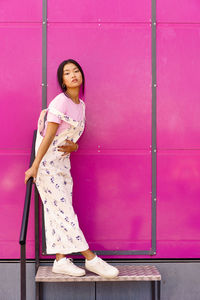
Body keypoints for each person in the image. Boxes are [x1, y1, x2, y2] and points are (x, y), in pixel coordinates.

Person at [24, 59, 119, 278]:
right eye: (67, 73)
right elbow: (48, 136)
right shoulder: (61, 102)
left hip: (62, 164)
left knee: (57, 210)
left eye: (76, 71)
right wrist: (34, 166)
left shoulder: (81, 106)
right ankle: (91, 258)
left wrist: (74, 146)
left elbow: (74, 138)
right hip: (46, 165)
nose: (73, 75)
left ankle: (60, 260)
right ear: (63, 81)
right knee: (65, 211)